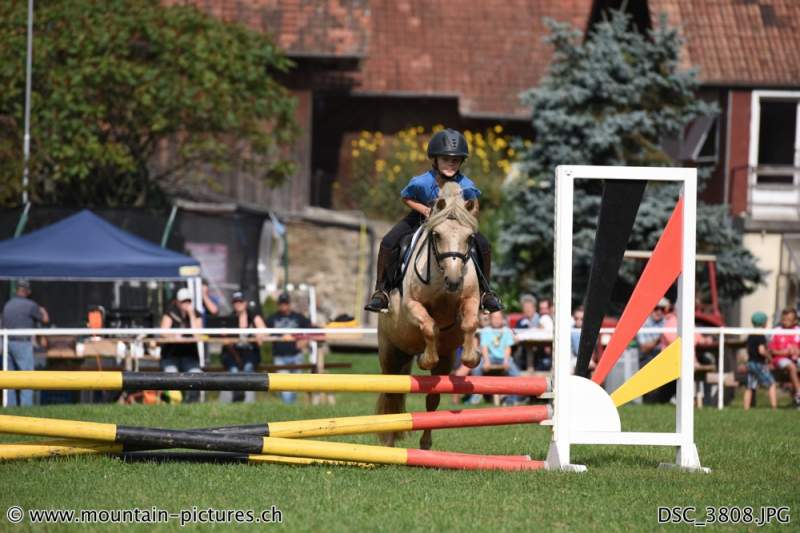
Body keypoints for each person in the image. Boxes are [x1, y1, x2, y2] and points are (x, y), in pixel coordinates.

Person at [364, 128, 502, 314]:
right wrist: (425, 210)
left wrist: (466, 214)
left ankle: (486, 293)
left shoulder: (466, 184)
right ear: (435, 160)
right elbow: (406, 198)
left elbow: (474, 205)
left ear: (461, 162)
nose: (450, 164)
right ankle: (382, 291)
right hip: (421, 218)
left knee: (483, 244)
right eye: (446, 159)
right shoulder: (420, 182)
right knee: (389, 242)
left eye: (455, 160)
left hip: (454, 223)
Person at [1, 280, 49, 407]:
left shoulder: (8, 305)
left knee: (9, 379)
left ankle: (9, 407)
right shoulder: (31, 305)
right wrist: (42, 310)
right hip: (22, 344)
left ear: (17, 290)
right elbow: (45, 319)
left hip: (7, 343)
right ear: (27, 291)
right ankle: (26, 408)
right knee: (27, 377)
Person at [265, 292, 311, 404]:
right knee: (284, 386)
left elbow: (311, 330)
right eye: (281, 303)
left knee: (296, 385)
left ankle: (290, 408)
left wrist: (305, 341)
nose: (283, 306)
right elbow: (263, 332)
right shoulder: (272, 318)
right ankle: (288, 407)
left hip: (296, 356)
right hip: (280, 357)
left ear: (289, 304)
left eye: (285, 303)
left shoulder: (299, 317)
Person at [221, 291, 267, 403]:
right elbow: (225, 341)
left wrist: (259, 335)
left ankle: (248, 402)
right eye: (235, 302)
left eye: (240, 301)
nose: (238, 304)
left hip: (250, 352)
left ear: (245, 303)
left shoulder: (253, 316)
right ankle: (236, 400)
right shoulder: (230, 318)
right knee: (233, 371)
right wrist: (236, 357)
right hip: (233, 353)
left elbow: (264, 332)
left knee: (248, 368)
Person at [159, 287, 202, 403]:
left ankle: (192, 403)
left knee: (196, 375)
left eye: (188, 301)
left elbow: (197, 334)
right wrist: (173, 336)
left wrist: (191, 314)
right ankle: (174, 403)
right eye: (183, 301)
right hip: (171, 356)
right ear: (177, 302)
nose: (186, 304)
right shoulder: (170, 313)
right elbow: (163, 333)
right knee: (171, 375)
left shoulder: (196, 314)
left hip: (189, 356)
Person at [470, 310, 521, 405]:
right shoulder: (486, 331)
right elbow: (484, 347)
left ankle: (513, 398)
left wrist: (506, 361)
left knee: (516, 373)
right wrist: (486, 361)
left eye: (499, 318)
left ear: (502, 319)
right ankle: (476, 392)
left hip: (504, 358)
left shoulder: (506, 331)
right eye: (494, 318)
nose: (497, 320)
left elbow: (507, 348)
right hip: (490, 357)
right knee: (476, 368)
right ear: (490, 320)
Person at [637, 297, 672, 403]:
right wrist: (660, 338)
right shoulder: (643, 323)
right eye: (656, 308)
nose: (659, 311)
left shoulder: (668, 322)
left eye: (662, 309)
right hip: (647, 357)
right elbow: (644, 348)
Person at [743, 311, 777, 410]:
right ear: (763, 323)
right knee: (771, 383)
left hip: (750, 363)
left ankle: (746, 408)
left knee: (749, 386)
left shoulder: (750, 335)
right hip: (759, 363)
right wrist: (770, 358)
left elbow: (747, 348)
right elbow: (761, 350)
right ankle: (774, 407)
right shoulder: (760, 335)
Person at [768, 307, 800, 407]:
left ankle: (796, 399)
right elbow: (771, 351)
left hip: (796, 358)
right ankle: (799, 394)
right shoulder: (776, 331)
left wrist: (797, 351)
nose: (786, 322)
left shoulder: (798, 331)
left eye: (789, 320)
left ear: (795, 321)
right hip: (780, 359)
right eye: (784, 319)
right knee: (791, 367)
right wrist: (785, 352)